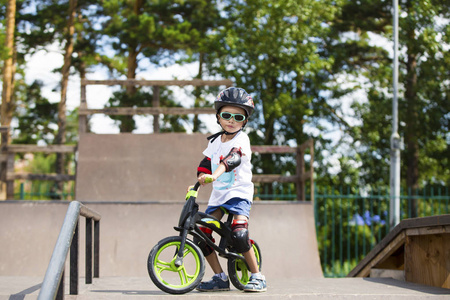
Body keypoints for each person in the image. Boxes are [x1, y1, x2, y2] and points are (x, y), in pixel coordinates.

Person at [194, 87, 267, 293]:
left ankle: (257, 276)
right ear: (218, 117)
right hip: (219, 197)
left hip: (239, 195)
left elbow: (232, 159)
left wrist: (215, 175)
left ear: (244, 121)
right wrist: (201, 176)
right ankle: (219, 277)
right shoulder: (215, 141)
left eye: (238, 117)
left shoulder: (241, 139)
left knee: (239, 234)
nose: (231, 120)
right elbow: (206, 161)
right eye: (226, 115)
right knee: (202, 233)